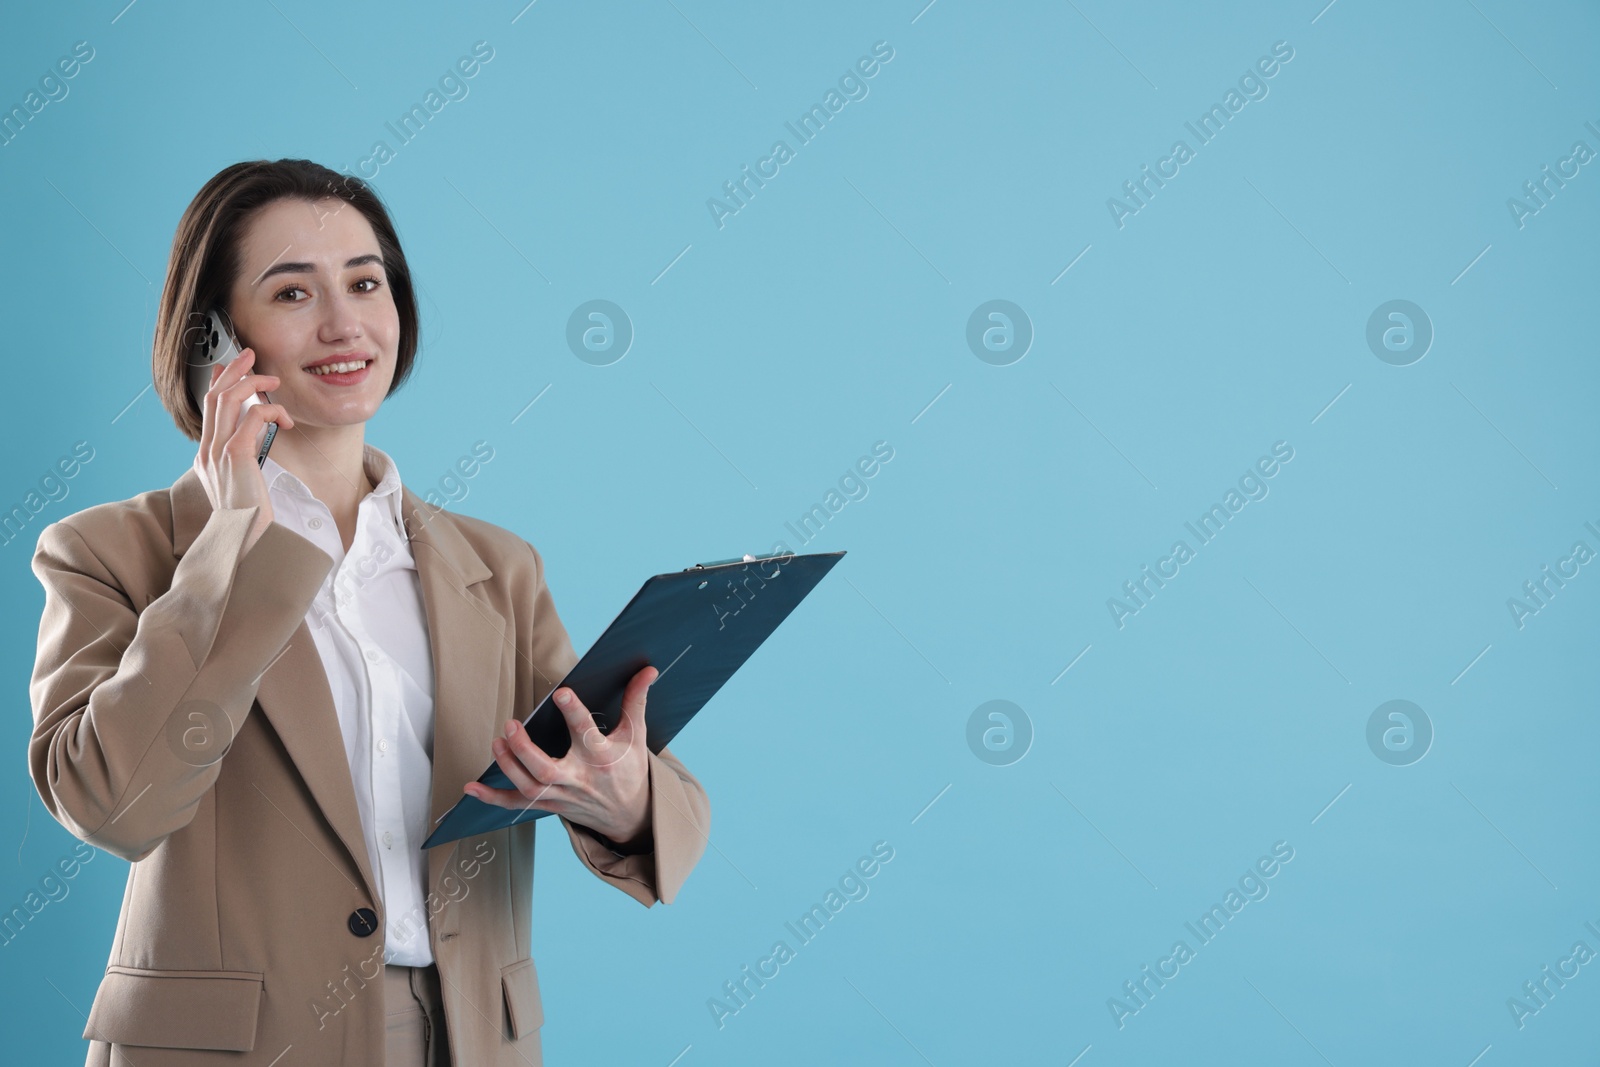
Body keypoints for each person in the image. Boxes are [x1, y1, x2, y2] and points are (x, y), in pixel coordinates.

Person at [26, 158, 711, 1067]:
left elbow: (661, 798)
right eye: (293, 293)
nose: (345, 323)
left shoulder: (497, 567)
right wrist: (227, 541)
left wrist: (623, 798)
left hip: (469, 1037)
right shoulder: (113, 552)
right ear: (215, 342)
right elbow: (114, 804)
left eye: (364, 282)